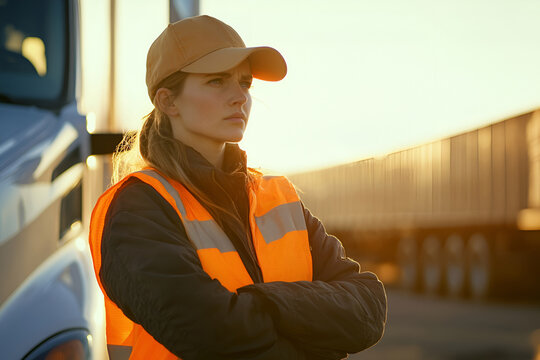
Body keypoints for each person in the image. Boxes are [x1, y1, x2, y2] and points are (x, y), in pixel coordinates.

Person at [89, 15, 387, 360]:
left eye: (244, 83)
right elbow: (210, 333)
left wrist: (264, 303)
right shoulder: (138, 207)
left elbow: (367, 306)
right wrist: (310, 334)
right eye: (217, 81)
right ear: (168, 101)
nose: (240, 98)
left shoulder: (278, 196)